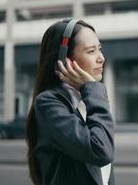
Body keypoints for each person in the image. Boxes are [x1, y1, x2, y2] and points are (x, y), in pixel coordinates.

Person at [25, 18, 115, 185]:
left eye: (99, 49)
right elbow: (101, 151)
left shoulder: (89, 100)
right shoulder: (49, 103)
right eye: (91, 51)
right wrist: (93, 88)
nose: (101, 58)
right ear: (65, 59)